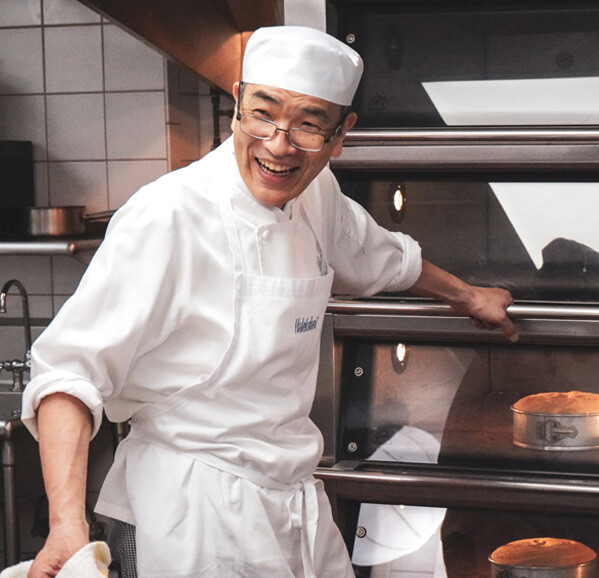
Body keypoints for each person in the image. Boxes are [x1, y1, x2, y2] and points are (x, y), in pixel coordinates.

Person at [22, 25, 517, 578]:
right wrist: (68, 523)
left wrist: (469, 296)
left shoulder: (318, 193)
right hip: (188, 516)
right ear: (238, 104)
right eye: (263, 113)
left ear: (340, 134)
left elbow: (379, 254)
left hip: (293, 506)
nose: (279, 145)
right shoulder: (168, 216)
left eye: (308, 125)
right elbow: (68, 374)